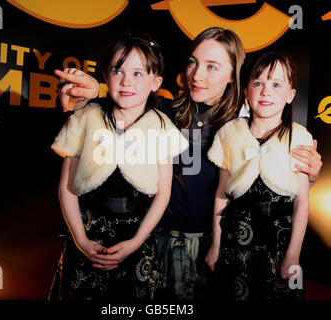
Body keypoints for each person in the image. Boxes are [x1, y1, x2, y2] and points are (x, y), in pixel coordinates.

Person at [54, 27, 322, 301]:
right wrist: (84, 97)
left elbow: (273, 182)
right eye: (193, 62)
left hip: (217, 244)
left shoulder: (243, 127)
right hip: (154, 237)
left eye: (212, 66)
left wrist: (309, 176)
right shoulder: (162, 113)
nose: (197, 74)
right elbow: (115, 108)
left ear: (233, 74)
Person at [48, 34, 188, 301]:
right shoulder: (85, 118)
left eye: (138, 73)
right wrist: (81, 240)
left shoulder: (162, 128)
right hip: (87, 235)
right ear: (106, 76)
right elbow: (67, 188)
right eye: (118, 71)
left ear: (156, 82)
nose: (126, 81)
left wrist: (136, 242)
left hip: (136, 237)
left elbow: (163, 194)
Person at [206, 51, 311, 300]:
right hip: (237, 238)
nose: (266, 91)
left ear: (290, 95)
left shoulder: (299, 136)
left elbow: (302, 201)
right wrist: (216, 246)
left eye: (276, 84)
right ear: (246, 92)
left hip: (280, 241)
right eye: (258, 83)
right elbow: (222, 195)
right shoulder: (228, 134)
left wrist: (293, 255)